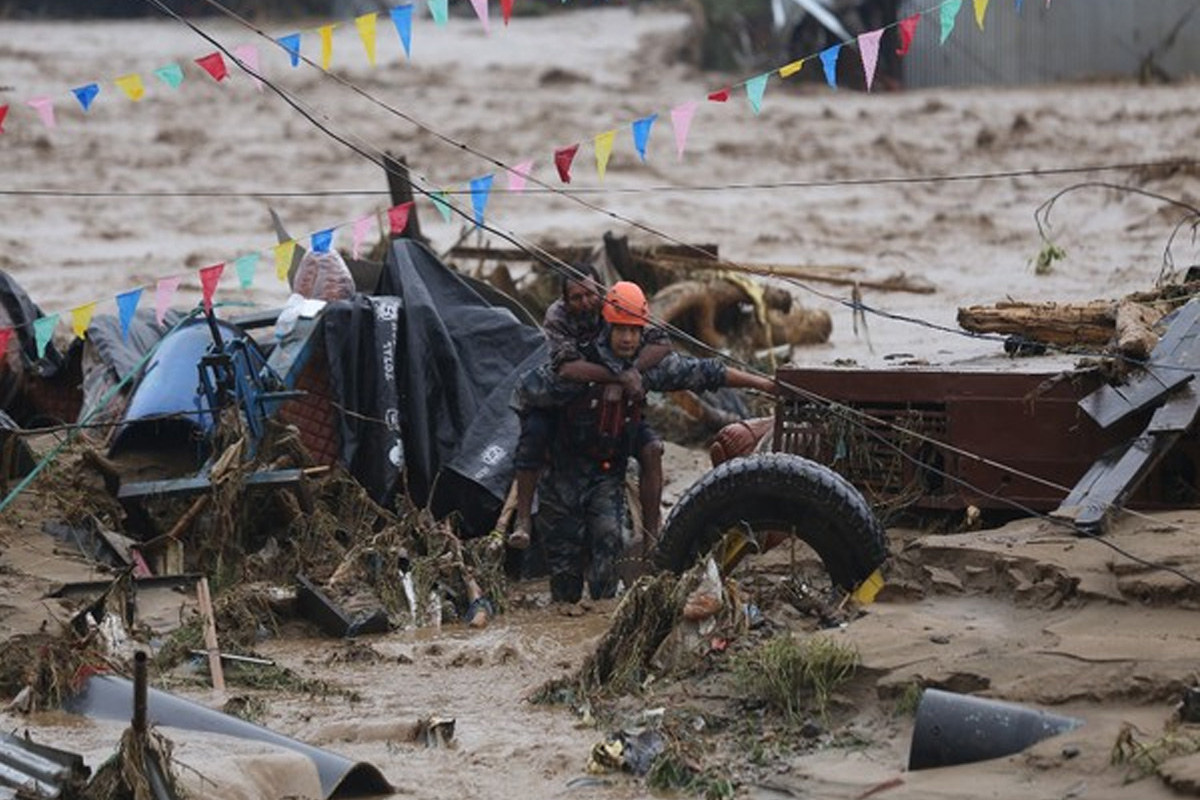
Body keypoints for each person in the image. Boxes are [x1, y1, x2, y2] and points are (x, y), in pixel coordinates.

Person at [536, 281, 776, 604]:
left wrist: (763, 382)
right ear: (606, 324)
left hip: (605, 474)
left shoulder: (642, 366)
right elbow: (533, 406)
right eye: (620, 329)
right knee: (564, 582)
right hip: (562, 477)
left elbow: (706, 372)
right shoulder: (576, 360)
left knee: (608, 549)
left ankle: (626, 577)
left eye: (635, 331)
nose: (627, 338)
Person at [508, 266, 670, 550]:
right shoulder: (557, 317)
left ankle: (652, 535)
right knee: (533, 435)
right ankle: (523, 520)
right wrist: (618, 375)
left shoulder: (617, 305)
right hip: (563, 397)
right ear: (565, 300)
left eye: (590, 295)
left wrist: (631, 370)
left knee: (651, 448)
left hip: (611, 399)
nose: (585, 303)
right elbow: (569, 368)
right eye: (576, 297)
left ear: (602, 292)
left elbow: (662, 343)